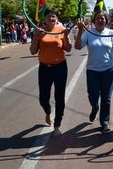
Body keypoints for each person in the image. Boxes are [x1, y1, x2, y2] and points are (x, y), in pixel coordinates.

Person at [75, 11, 113, 134]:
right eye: (98, 18)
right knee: (93, 96)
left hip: (108, 70)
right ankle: (94, 107)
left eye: (102, 18)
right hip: (93, 70)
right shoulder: (89, 32)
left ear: (106, 20)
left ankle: (104, 122)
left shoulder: (111, 33)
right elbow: (77, 47)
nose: (100, 20)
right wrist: (80, 30)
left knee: (106, 98)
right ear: (94, 20)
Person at [30, 7, 72, 137]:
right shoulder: (40, 31)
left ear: (57, 19)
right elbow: (33, 51)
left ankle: (57, 124)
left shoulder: (61, 30)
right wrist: (36, 37)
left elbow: (68, 49)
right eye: (49, 16)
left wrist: (66, 36)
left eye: (54, 16)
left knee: (59, 97)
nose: (51, 18)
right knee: (43, 97)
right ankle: (48, 112)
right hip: (44, 68)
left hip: (60, 67)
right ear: (45, 19)